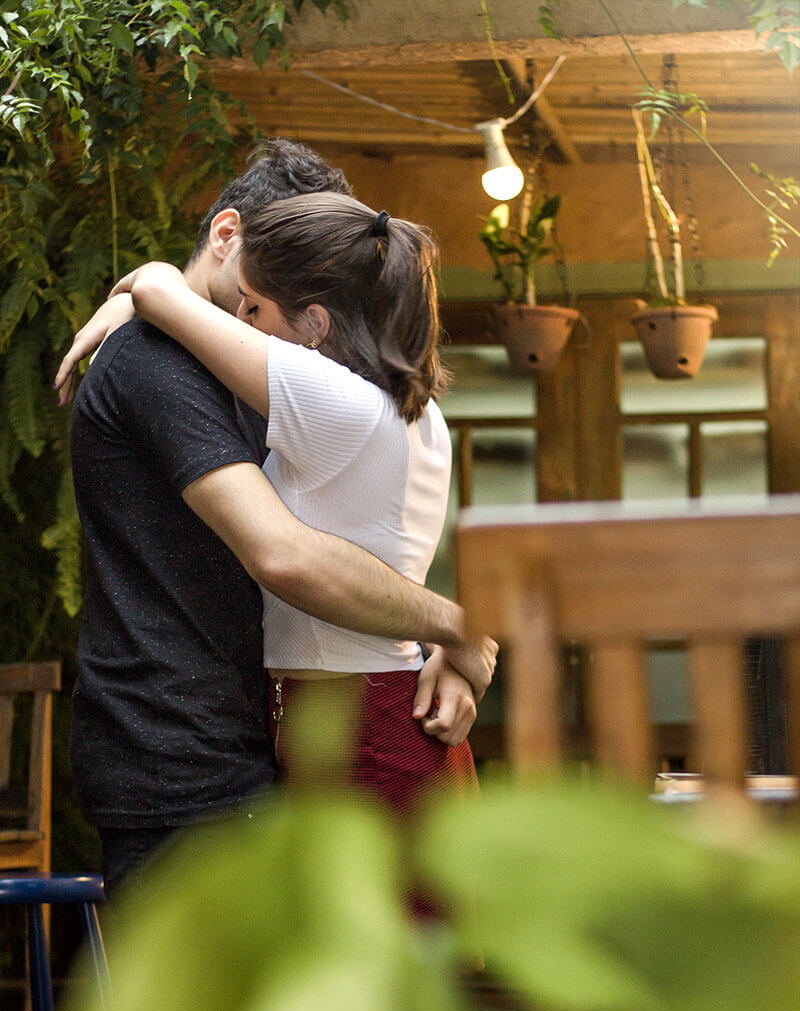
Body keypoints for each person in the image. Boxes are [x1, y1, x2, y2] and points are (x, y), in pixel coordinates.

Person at [55, 140, 496, 898]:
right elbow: (285, 552)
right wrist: (461, 629)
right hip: (183, 758)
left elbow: (349, 535)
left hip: (278, 743)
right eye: (256, 297)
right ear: (230, 239)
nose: (258, 319)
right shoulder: (159, 365)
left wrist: (449, 639)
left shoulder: (294, 380)